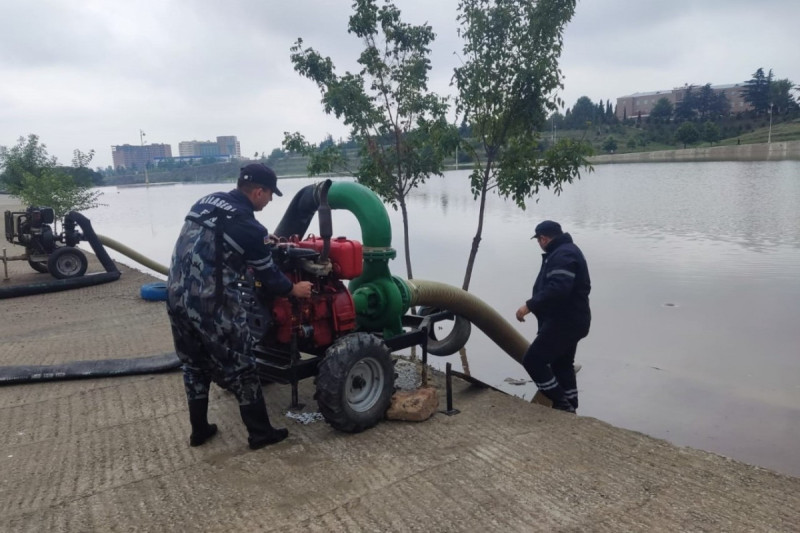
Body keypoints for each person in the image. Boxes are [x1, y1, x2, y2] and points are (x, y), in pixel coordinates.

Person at [167, 163, 313, 449]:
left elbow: (220, 238)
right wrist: (295, 289)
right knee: (242, 365)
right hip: (213, 304)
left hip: (175, 295)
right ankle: (261, 434)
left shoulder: (205, 202)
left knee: (194, 364)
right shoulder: (249, 227)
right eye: (270, 195)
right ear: (258, 191)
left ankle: (199, 430)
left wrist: (263, 241)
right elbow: (270, 277)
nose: (269, 201)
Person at [515, 220, 591, 413]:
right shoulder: (566, 251)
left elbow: (558, 288)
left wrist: (529, 306)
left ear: (543, 238)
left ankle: (561, 403)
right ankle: (571, 406)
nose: (539, 244)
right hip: (573, 320)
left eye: (538, 240)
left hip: (564, 322)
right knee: (562, 364)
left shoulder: (563, 254)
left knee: (533, 361)